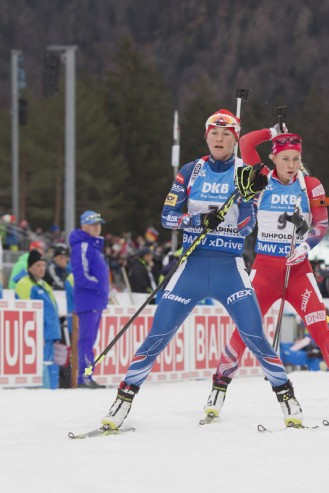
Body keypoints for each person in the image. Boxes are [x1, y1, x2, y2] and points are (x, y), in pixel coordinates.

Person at [101, 109, 304, 430]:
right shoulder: (191, 170)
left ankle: (287, 398)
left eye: (226, 134)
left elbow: (249, 225)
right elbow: (167, 216)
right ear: (206, 137)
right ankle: (121, 403)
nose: (220, 139)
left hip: (229, 268)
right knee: (158, 335)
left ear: (235, 139)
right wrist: (196, 220)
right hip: (192, 267)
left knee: (255, 336)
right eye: (214, 134)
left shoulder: (245, 170)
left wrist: (241, 208)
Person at [204, 122, 329, 421]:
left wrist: (307, 246)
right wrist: (271, 133)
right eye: (285, 158)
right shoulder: (260, 178)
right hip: (265, 272)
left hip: (298, 272)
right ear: (273, 159)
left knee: (320, 329)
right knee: (244, 331)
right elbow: (247, 143)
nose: (291, 165)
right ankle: (217, 390)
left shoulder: (311, 185)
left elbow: (322, 223)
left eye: (296, 159)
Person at [70, 211, 110, 388]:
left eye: (99, 224)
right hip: (89, 300)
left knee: (90, 340)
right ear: (84, 226)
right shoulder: (83, 246)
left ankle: (87, 375)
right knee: (86, 340)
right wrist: (99, 286)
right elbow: (81, 275)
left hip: (95, 301)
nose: (97, 227)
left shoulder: (92, 246)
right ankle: (84, 377)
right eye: (93, 224)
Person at [14, 250, 62, 389]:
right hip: (37, 333)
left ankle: (53, 390)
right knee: (41, 363)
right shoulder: (24, 284)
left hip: (50, 332)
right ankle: (43, 390)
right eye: (38, 265)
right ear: (30, 268)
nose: (42, 268)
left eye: (43, 265)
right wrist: (35, 332)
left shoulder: (43, 284)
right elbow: (26, 311)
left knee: (50, 362)